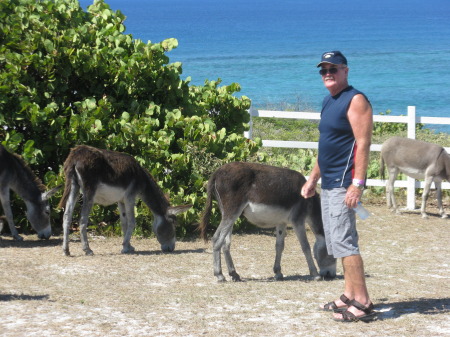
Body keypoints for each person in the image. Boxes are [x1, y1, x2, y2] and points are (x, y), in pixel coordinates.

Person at [301, 51, 376, 322]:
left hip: (345, 183)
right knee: (335, 242)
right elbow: (328, 148)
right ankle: (348, 295)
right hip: (329, 183)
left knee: (345, 243)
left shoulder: (356, 100)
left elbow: (363, 144)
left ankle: (364, 303)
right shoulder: (329, 101)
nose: (327, 73)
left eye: (333, 68)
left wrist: (357, 184)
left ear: (345, 71)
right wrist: (313, 179)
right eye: (323, 70)